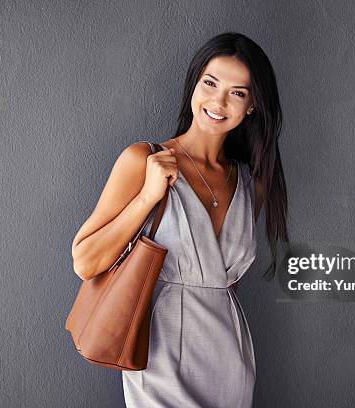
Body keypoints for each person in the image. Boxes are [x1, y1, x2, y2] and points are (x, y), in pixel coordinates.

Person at [71, 32, 288, 408]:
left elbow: (224, 285)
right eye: (210, 83)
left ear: (252, 105)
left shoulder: (251, 186)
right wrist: (147, 197)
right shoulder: (143, 159)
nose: (218, 101)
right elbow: (85, 262)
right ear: (194, 83)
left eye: (237, 92)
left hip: (229, 360)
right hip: (158, 353)